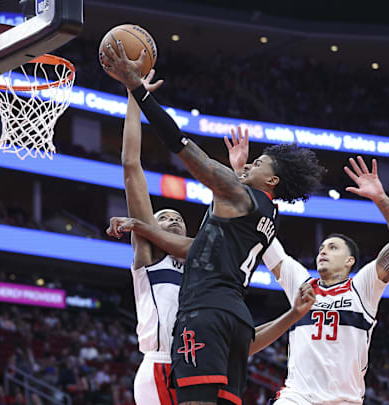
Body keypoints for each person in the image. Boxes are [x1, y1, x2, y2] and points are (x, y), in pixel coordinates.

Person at [98, 38, 326, 396]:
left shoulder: (238, 198)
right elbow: (209, 241)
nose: (250, 164)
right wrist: (142, 225)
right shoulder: (269, 218)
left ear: (272, 180)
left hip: (204, 316)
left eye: (258, 164)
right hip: (236, 319)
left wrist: (137, 92)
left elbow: (186, 150)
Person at [260, 156, 389, 405]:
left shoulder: (362, 287)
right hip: (297, 397)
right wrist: (247, 191)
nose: (323, 251)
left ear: (350, 261)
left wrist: (380, 198)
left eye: (333, 248)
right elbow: (264, 238)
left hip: (344, 400)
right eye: (322, 247)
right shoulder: (302, 285)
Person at [119, 70, 185, 405]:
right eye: (163, 218)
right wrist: (135, 96)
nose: (172, 218)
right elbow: (131, 166)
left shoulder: (198, 259)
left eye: (178, 218)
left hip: (193, 366)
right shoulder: (150, 254)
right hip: (160, 365)